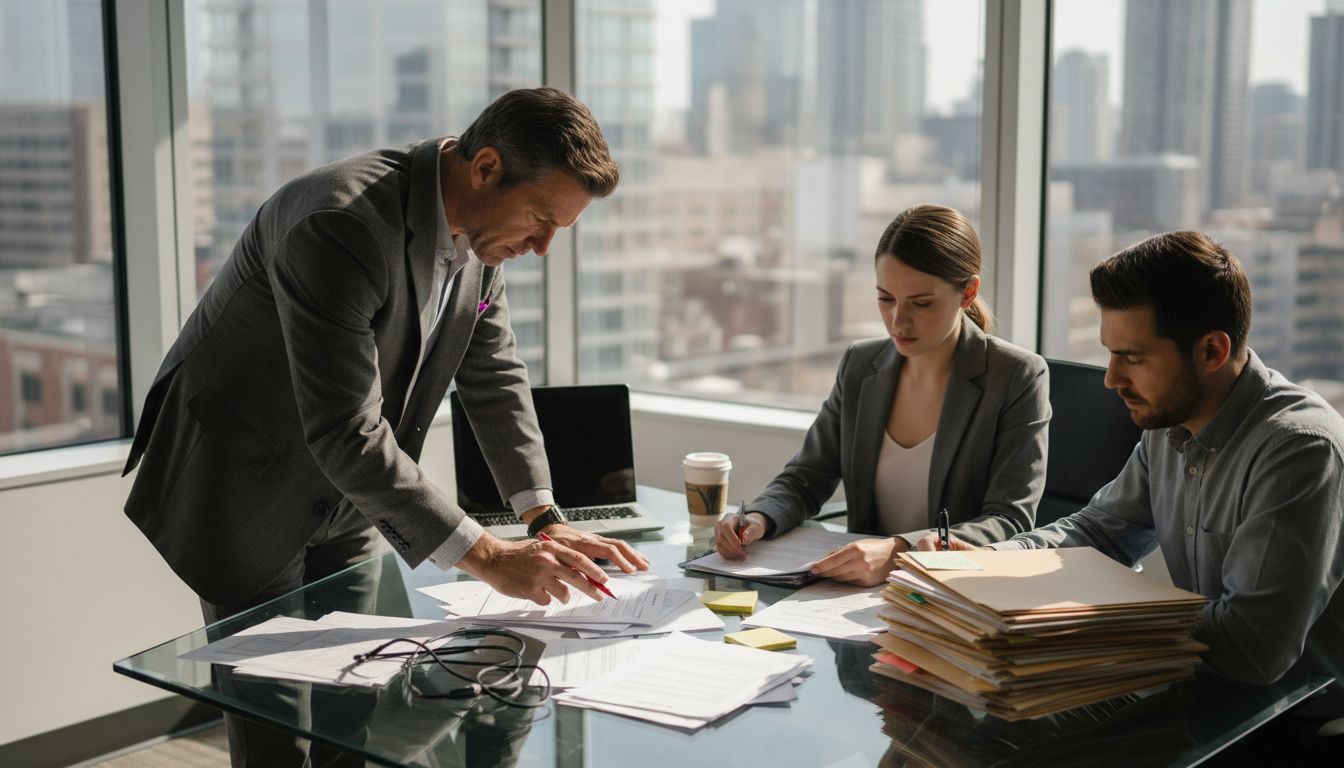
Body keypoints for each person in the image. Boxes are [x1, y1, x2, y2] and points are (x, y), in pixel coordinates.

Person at [122, 88, 649, 765]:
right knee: (274, 717)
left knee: (360, 696)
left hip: (353, 490)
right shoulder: (339, 223)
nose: (543, 247)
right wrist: (488, 557)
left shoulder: (483, 240)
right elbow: (345, 429)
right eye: (541, 219)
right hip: (246, 478)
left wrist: (542, 516)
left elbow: (493, 377)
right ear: (486, 168)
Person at [926, 231, 1344, 758]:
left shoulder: (1299, 451)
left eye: (1133, 358)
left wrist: (1082, 612)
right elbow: (1098, 531)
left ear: (1212, 350)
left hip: (1283, 725)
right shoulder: (1170, 424)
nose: (1110, 378)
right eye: (1109, 353)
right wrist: (990, 562)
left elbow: (1252, 649)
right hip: (1191, 698)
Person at [715, 204, 1050, 586]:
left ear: (968, 292)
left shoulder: (1016, 376)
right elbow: (807, 477)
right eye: (885, 298)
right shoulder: (861, 365)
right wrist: (758, 518)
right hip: (854, 597)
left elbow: (1009, 519)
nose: (897, 321)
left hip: (954, 598)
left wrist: (896, 552)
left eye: (921, 303)